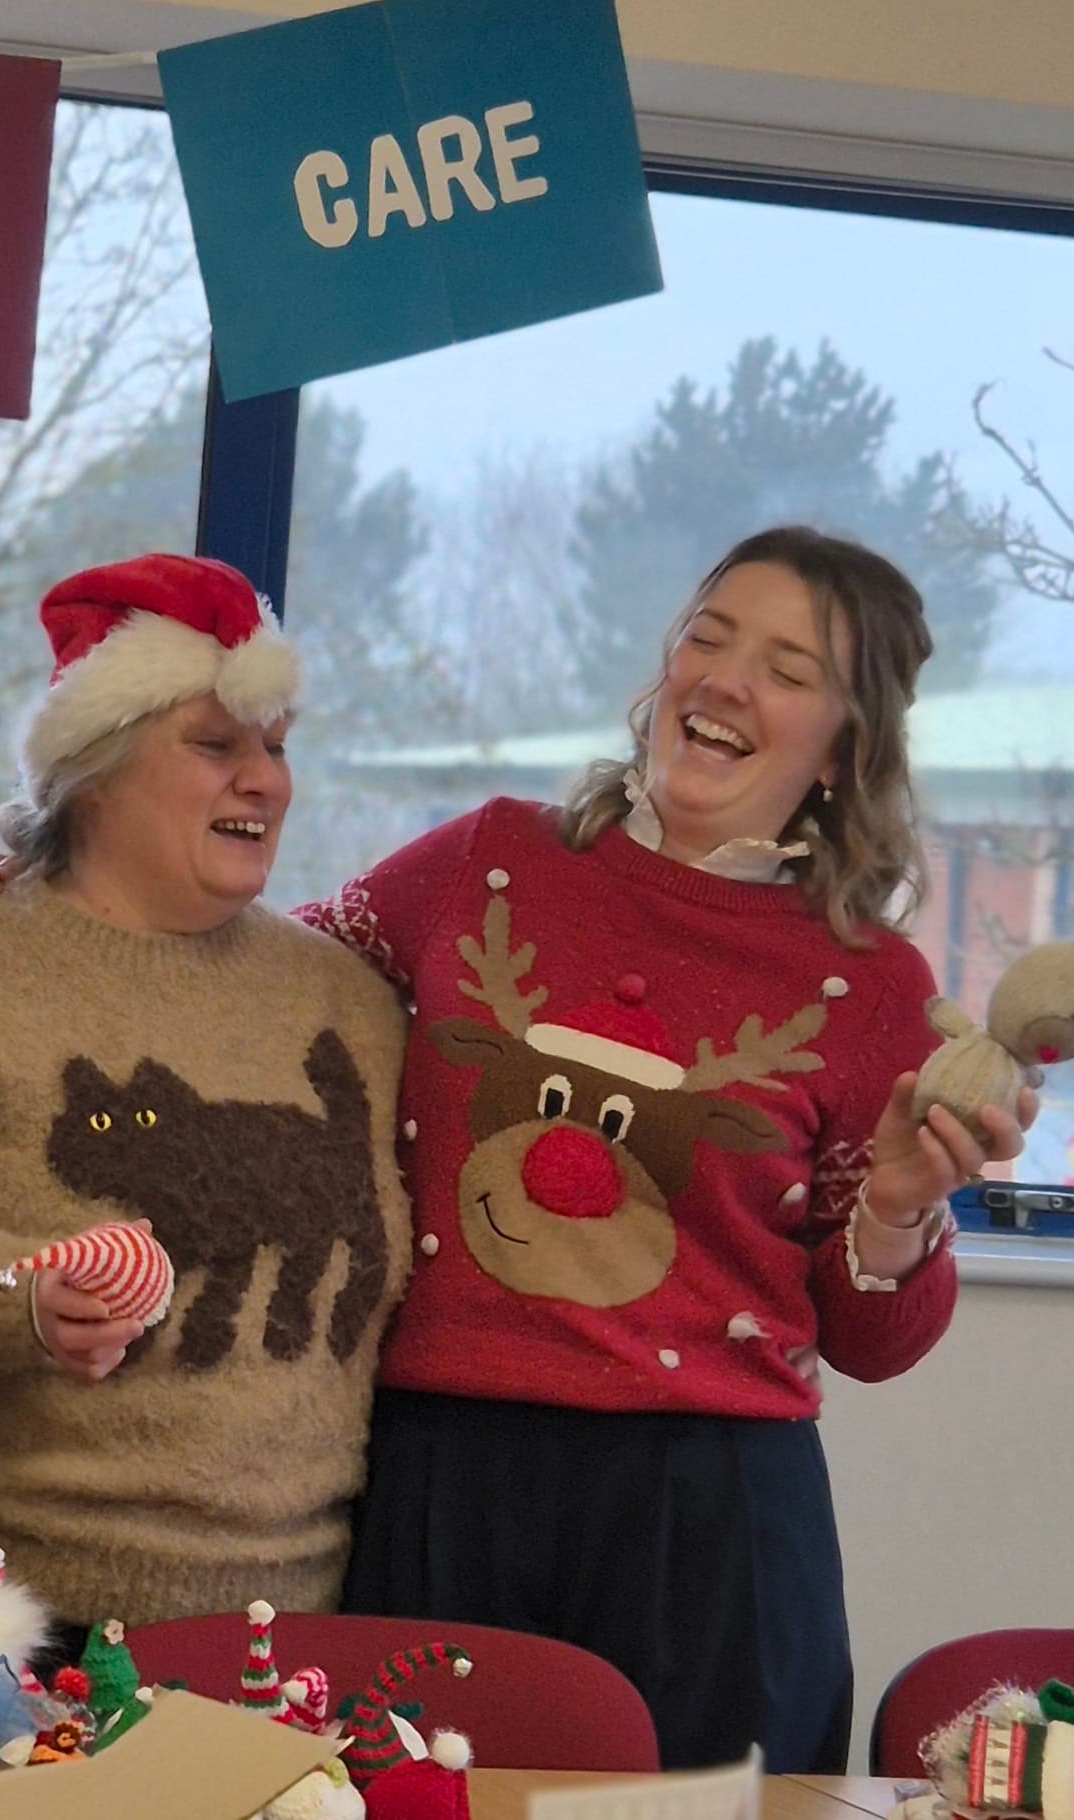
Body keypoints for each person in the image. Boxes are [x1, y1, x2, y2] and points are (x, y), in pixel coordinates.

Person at [293, 526, 1031, 1771]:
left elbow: (875, 1344)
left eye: (790, 669)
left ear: (845, 746)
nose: (728, 679)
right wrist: (64, 898)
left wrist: (901, 1211)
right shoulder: (485, 860)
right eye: (708, 634)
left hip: (715, 1522)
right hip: (440, 1473)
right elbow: (263, 989)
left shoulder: (873, 988)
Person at [0, 554, 412, 1672]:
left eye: (276, 744)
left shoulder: (349, 1002)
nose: (264, 780)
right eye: (216, 745)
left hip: (268, 1628)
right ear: (94, 770)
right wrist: (20, 1293)